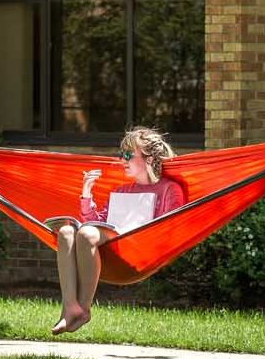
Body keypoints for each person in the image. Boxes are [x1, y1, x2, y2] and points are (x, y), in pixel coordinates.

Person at [52, 127, 186, 335]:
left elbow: (174, 225)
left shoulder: (169, 189)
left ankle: (84, 309)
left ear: (149, 159)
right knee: (66, 232)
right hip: (110, 247)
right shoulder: (121, 191)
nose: (122, 160)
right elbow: (95, 221)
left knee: (86, 233)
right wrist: (86, 194)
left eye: (128, 155)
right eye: (121, 154)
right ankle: (69, 307)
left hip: (139, 249)